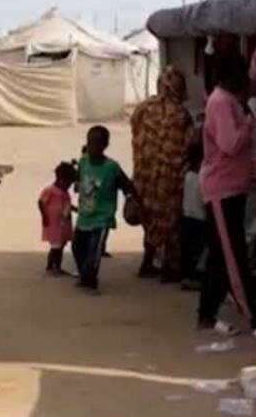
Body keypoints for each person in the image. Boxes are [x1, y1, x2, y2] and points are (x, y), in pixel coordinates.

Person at [198, 51, 256, 342]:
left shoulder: (227, 100)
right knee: (234, 256)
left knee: (220, 256)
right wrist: (248, 122)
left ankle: (206, 314)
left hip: (230, 186)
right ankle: (254, 318)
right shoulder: (222, 102)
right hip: (222, 188)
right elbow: (230, 144)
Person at [130, 66, 196, 282]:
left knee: (149, 218)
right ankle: (169, 268)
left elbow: (135, 130)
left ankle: (147, 261)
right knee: (171, 220)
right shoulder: (181, 114)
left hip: (145, 173)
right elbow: (189, 143)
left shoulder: (144, 107)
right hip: (169, 176)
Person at [72, 126, 138, 294]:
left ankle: (90, 281)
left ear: (105, 145)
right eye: (90, 143)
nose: (92, 147)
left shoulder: (112, 168)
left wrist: (132, 199)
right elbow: (78, 179)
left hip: (102, 218)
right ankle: (84, 275)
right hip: (84, 216)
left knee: (94, 251)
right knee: (77, 247)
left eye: (97, 144)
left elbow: (127, 186)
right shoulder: (83, 162)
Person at [178, 136, 208, 292]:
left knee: (188, 250)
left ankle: (186, 277)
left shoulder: (187, 174)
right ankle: (193, 278)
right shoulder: (203, 176)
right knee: (198, 250)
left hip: (186, 216)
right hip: (200, 219)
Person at [39, 162, 77, 276]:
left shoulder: (64, 192)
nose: (69, 186)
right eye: (68, 183)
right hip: (54, 224)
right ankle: (55, 266)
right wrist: (44, 217)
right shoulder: (50, 190)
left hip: (64, 223)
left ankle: (52, 265)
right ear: (61, 179)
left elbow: (67, 205)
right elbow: (41, 203)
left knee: (60, 245)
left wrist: (76, 209)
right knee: (56, 247)